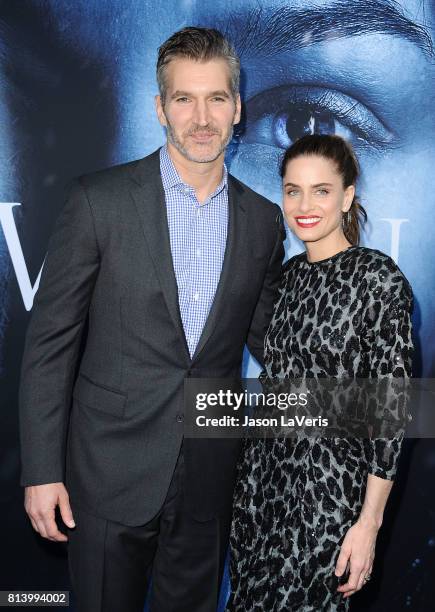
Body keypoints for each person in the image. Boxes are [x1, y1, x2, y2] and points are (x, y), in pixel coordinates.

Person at [19, 27, 285, 612]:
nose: (201, 117)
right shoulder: (101, 201)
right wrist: (41, 471)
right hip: (107, 472)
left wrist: (372, 397)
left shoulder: (264, 221)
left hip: (210, 477)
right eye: (184, 99)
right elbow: (49, 346)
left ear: (238, 108)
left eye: (217, 98)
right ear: (160, 108)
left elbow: (277, 342)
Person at [226, 134, 414, 611]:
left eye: (321, 190)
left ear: (347, 195)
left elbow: (389, 414)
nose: (304, 205)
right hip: (261, 491)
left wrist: (368, 523)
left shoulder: (378, 278)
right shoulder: (286, 277)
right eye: (293, 190)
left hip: (329, 500)